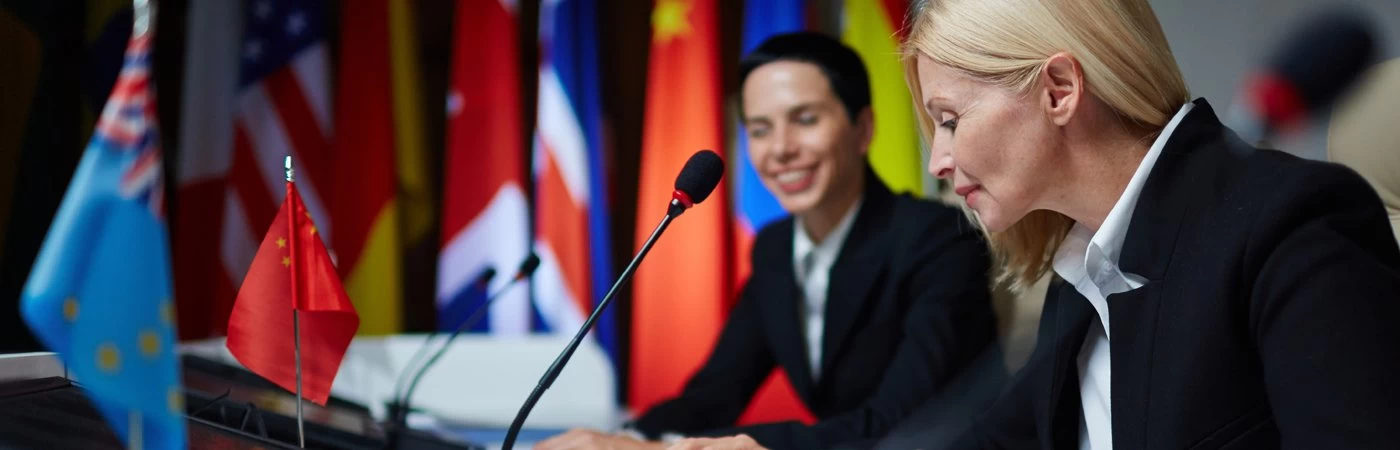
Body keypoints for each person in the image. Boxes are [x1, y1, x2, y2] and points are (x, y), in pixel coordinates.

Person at [681, 0, 1400, 448]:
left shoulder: (1292, 221)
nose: (937, 161)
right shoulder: (1081, 273)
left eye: (950, 120)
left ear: (1058, 90)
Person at [537, 32, 1002, 450]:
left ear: (863, 129)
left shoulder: (940, 238)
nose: (780, 149)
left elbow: (895, 423)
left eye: (805, 119)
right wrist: (626, 439)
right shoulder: (776, 249)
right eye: (759, 129)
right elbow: (714, 395)